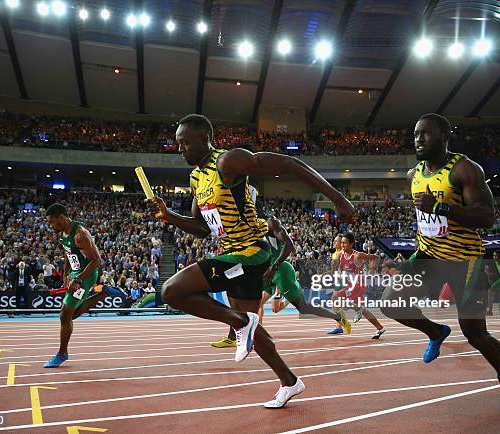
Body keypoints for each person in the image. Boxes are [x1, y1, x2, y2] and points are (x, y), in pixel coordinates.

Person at [147, 113, 355, 408]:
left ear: (205, 139)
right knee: (254, 332)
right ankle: (290, 382)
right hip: (232, 253)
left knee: (171, 291)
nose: (180, 149)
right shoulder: (197, 178)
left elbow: (289, 163)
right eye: (177, 144)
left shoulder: (227, 161)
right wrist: (168, 215)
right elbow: (202, 228)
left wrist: (337, 198)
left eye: (185, 143)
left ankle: (240, 323)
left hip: (251, 252)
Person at [379, 113, 500, 413]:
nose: (418, 138)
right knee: (390, 302)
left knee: (474, 333)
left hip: (465, 260)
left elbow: (487, 217)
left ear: (445, 136)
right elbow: (424, 218)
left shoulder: (465, 170)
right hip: (429, 255)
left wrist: (441, 207)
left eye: (426, 133)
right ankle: (435, 332)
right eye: (416, 133)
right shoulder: (413, 175)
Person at [211, 215, 349, 347]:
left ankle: (338, 317)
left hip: (279, 270)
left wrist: (274, 267)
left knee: (304, 308)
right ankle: (233, 338)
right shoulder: (245, 227)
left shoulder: (270, 222)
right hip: (260, 270)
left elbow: (289, 245)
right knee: (239, 294)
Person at [43, 203, 124, 368]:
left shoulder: (80, 235)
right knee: (68, 316)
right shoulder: (63, 234)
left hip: (86, 276)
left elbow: (97, 261)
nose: (51, 226)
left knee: (65, 315)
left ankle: (62, 353)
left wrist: (78, 279)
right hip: (76, 273)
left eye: (53, 222)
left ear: (61, 218)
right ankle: (103, 293)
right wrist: (67, 275)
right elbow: (68, 254)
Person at [329, 233, 386, 339]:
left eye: (344, 243)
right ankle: (380, 327)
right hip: (350, 285)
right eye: (341, 243)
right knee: (358, 309)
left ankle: (357, 309)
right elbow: (340, 268)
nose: (342, 245)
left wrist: (372, 269)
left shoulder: (357, 255)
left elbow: (376, 257)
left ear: (351, 244)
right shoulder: (341, 255)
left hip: (359, 285)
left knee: (335, 298)